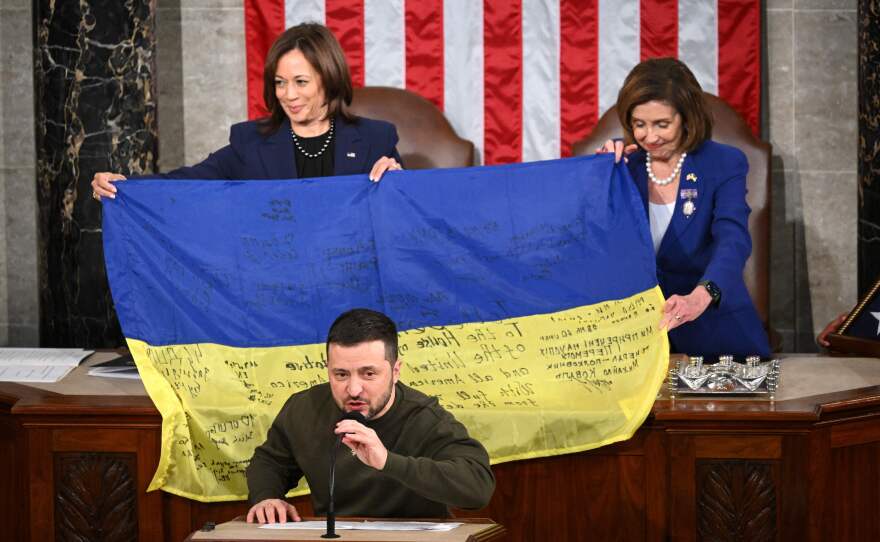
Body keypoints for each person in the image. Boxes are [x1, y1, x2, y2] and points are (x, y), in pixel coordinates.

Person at [91, 23, 402, 200]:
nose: (288, 94)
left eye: (301, 82)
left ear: (330, 79)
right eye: (280, 82)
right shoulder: (249, 142)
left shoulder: (376, 139)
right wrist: (125, 185)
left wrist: (400, 183)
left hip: (354, 284)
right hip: (277, 284)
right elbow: (188, 181)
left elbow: (410, 214)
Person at [244, 308, 495, 523]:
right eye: (341, 374)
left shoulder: (425, 417)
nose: (353, 389)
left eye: (368, 374)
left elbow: (478, 487)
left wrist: (387, 461)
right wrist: (267, 497)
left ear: (396, 371)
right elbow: (270, 462)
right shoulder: (304, 408)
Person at [599, 58, 770, 358]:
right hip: (636, 341)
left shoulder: (723, 163)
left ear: (687, 117)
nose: (649, 137)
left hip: (713, 331)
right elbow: (590, 242)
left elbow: (733, 240)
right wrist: (598, 177)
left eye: (662, 124)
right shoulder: (621, 165)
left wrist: (702, 296)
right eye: (639, 124)